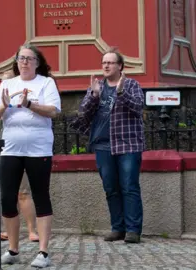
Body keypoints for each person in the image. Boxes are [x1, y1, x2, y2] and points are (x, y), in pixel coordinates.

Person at [0, 43, 61, 267]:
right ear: (16, 62)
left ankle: (43, 252)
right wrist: (4, 106)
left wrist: (30, 104)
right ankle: (13, 249)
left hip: (39, 149)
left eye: (29, 58)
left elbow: (54, 111)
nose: (25, 62)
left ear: (37, 63)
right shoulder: (7, 84)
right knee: (7, 198)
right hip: (11, 149)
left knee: (40, 196)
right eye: (21, 58)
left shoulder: (46, 83)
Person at [71, 48, 145, 244]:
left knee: (129, 187)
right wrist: (94, 95)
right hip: (103, 145)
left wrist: (121, 93)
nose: (105, 65)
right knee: (111, 188)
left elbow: (138, 108)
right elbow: (84, 114)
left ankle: (133, 230)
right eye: (104, 62)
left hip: (127, 143)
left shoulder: (131, 85)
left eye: (110, 62)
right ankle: (117, 228)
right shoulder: (97, 86)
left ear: (120, 66)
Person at [0, 69, 39, 243]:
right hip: (4, 151)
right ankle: (7, 230)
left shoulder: (24, 98)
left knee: (23, 192)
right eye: (1, 82)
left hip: (22, 150)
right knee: (6, 194)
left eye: (7, 81)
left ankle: (32, 230)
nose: (3, 85)